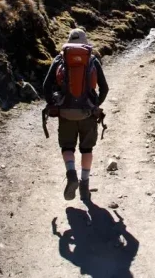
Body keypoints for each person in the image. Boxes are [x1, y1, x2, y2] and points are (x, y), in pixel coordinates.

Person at [43, 29, 109, 201]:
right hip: (87, 113)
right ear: (85, 42)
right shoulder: (92, 59)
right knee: (87, 149)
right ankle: (84, 186)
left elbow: (46, 86)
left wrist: (54, 104)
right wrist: (94, 105)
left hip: (65, 112)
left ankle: (71, 174)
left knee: (67, 147)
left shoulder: (60, 58)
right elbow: (105, 88)